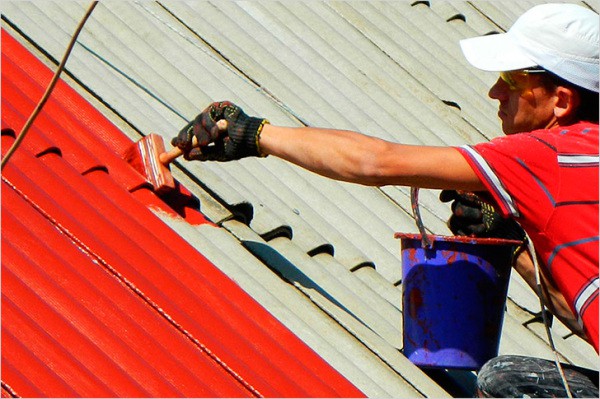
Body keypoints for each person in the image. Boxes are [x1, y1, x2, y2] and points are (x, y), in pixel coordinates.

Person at [172, 3, 599, 397]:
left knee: (503, 383)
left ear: (561, 101)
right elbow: (586, 317)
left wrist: (256, 135)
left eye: (510, 79)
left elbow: (375, 162)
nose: (494, 92)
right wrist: (515, 247)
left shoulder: (552, 154)